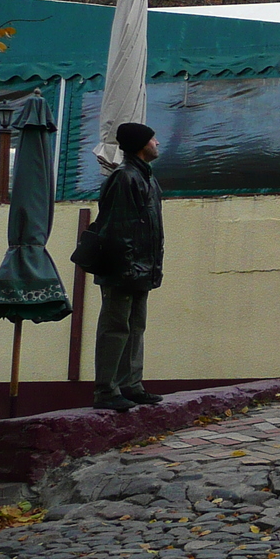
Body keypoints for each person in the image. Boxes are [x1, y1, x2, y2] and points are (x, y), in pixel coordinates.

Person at [90, 122, 165, 412]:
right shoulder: (125, 178)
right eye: (152, 138)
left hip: (140, 269)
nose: (157, 143)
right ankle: (106, 390)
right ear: (139, 144)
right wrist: (127, 270)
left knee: (135, 327)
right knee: (115, 328)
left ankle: (131, 385)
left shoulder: (146, 178)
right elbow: (116, 230)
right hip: (124, 270)